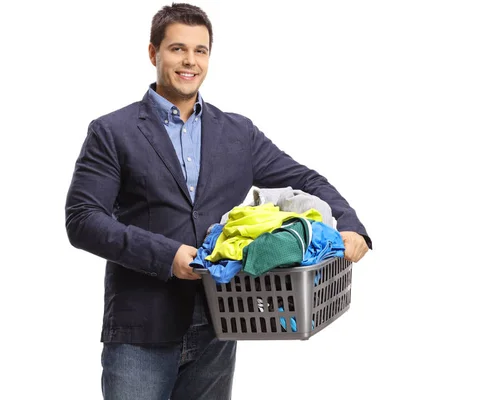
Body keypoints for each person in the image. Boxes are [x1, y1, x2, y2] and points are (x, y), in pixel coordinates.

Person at [65, 3, 371, 399]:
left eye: (200, 50)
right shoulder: (112, 131)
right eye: (177, 49)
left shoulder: (238, 133)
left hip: (220, 324)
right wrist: (168, 255)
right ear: (153, 53)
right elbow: (83, 219)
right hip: (141, 330)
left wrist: (351, 226)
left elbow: (304, 180)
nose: (189, 61)